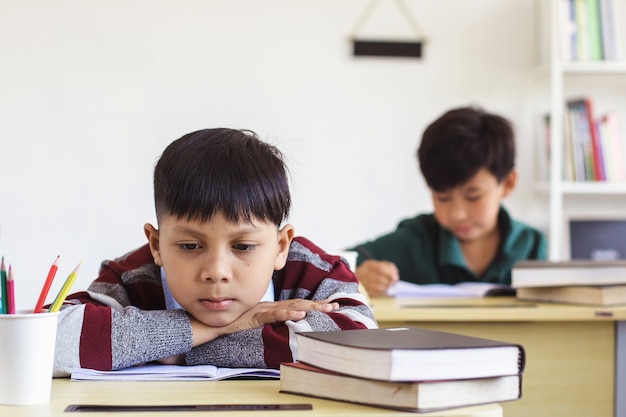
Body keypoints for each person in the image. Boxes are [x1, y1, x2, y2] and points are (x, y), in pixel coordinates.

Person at [53, 128, 377, 377]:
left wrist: (170, 350)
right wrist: (221, 327)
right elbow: (50, 341)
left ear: (280, 246)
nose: (217, 271)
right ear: (156, 245)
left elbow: (360, 341)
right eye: (190, 246)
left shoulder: (314, 270)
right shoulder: (131, 277)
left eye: (243, 246)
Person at [349, 106, 547, 297]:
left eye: (473, 196)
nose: (457, 214)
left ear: (508, 183)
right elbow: (327, 265)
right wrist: (356, 276)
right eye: (442, 197)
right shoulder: (413, 241)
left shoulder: (532, 245)